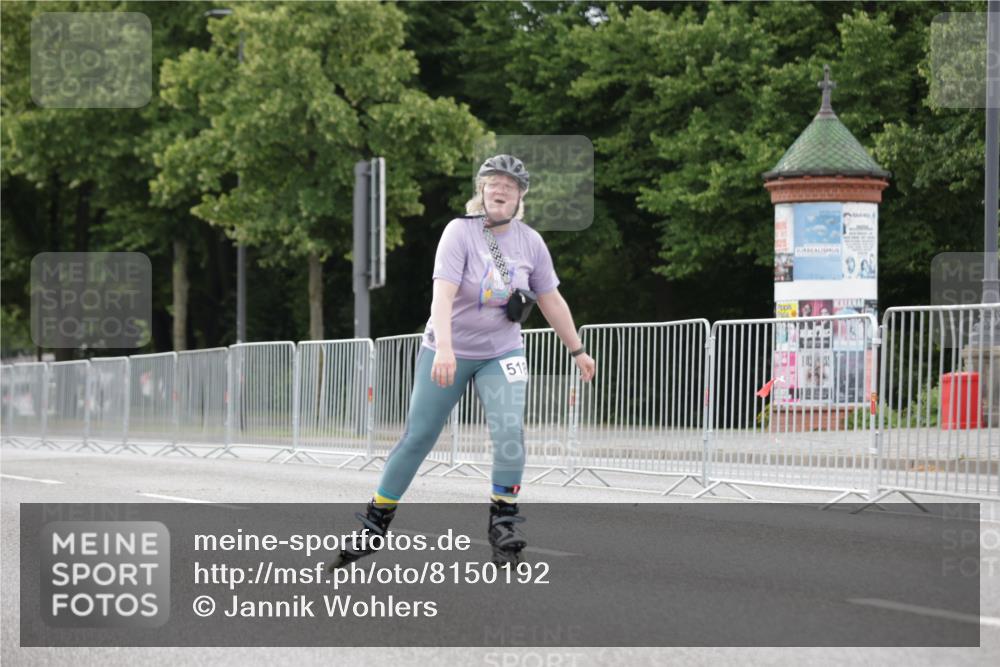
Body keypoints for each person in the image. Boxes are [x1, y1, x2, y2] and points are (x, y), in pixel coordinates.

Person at [330, 154, 596, 569]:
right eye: (493, 183)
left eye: (509, 184)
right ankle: (375, 522)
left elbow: (550, 299)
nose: (501, 189)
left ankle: (503, 523)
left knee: (510, 431)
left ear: (520, 196)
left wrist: (577, 349)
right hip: (447, 349)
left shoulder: (531, 243)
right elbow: (443, 295)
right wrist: (446, 349)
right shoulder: (460, 232)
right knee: (418, 437)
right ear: (481, 191)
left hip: (502, 352)